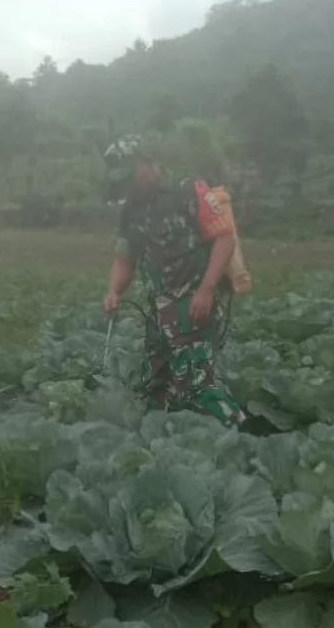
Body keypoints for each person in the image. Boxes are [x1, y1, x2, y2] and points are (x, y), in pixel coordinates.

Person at [102, 135, 247, 427]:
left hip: (195, 304)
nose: (128, 185)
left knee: (196, 382)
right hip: (159, 310)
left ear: (146, 162)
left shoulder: (188, 191)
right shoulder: (131, 210)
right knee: (158, 382)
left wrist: (206, 290)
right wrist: (113, 291)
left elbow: (224, 239)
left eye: (131, 176)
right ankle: (173, 440)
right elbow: (125, 258)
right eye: (121, 180)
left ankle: (242, 434)